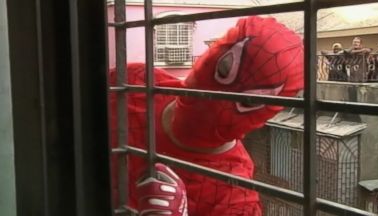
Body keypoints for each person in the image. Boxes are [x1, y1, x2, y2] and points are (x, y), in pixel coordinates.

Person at [109, 16, 304, 216]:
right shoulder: (133, 82)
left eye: (250, 101)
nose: (218, 99)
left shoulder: (234, 199)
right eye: (224, 68)